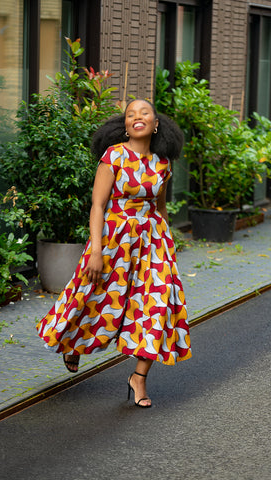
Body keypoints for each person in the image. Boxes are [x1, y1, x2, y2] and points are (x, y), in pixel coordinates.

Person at [37, 99, 192, 408]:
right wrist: (95, 250)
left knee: (159, 305)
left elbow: (159, 206)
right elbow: (97, 206)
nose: (137, 117)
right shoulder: (114, 157)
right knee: (94, 296)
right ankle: (72, 343)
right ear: (125, 125)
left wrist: (168, 239)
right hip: (114, 240)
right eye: (131, 114)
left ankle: (139, 377)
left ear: (156, 123)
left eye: (144, 113)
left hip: (152, 242)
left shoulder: (163, 164)